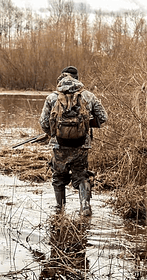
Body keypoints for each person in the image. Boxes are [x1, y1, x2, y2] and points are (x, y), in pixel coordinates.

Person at [39, 66, 108, 216]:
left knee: (58, 176)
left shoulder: (52, 97)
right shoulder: (88, 96)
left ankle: (59, 208)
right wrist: (85, 124)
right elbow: (103, 118)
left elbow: (44, 122)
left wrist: (52, 132)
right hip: (82, 144)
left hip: (59, 145)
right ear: (77, 78)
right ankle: (85, 207)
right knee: (81, 175)